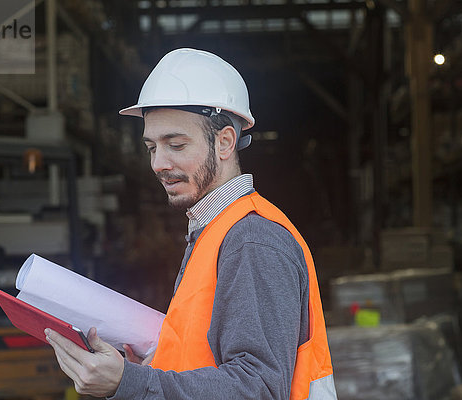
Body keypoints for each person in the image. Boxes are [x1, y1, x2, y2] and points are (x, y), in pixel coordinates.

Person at [45, 48, 337, 400]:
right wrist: (154, 362)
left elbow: (257, 389)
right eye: (152, 147)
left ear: (225, 141)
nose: (158, 163)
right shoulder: (214, 232)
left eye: (176, 145)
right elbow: (209, 359)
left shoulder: (252, 240)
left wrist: (130, 383)